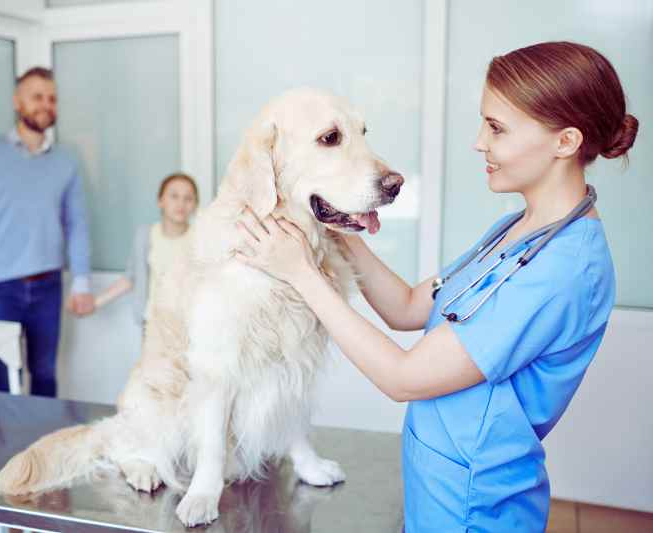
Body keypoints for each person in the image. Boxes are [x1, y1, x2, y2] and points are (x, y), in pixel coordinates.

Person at [234, 41, 638, 532]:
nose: (478, 142)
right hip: (435, 489)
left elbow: (405, 377)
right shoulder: (518, 229)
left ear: (566, 141)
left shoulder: (564, 270)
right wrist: (344, 230)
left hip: (476, 509)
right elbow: (407, 307)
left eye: (496, 128)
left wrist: (301, 274)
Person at [0, 66, 96, 398]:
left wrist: (83, 280)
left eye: (52, 98)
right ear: (18, 102)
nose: (46, 104)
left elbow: (77, 222)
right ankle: (6, 451)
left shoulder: (66, 160)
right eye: (37, 97)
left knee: (45, 375)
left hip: (48, 285)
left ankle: (43, 450)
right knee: (5, 379)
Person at [95, 173, 199, 327]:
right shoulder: (145, 235)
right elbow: (131, 278)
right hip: (152, 324)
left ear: (196, 205)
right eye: (174, 196)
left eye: (188, 198)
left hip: (190, 325)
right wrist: (95, 302)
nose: (181, 204)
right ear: (160, 201)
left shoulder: (201, 239)